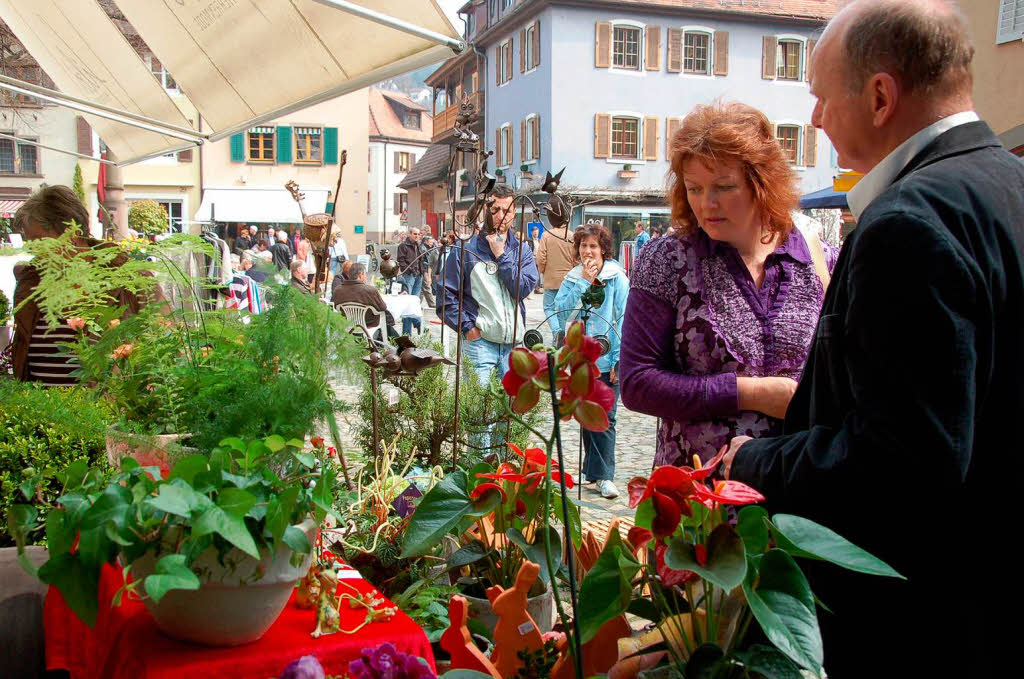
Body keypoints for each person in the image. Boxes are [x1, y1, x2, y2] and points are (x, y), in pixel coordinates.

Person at [719, 2, 1023, 676]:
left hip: (925, 623)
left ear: (881, 96)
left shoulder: (909, 222)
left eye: (823, 97)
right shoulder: (1009, 185)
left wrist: (753, 464)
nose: (817, 118)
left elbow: (902, 461)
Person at [619, 101, 837, 470]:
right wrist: (750, 393)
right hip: (699, 502)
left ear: (762, 183)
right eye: (694, 188)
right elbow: (638, 383)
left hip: (797, 491)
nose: (707, 203)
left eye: (724, 186)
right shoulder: (667, 260)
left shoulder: (819, 261)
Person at [11, 186, 143, 385]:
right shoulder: (32, 283)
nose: (36, 253)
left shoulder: (127, 277)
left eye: (40, 242)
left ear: (72, 231)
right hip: (43, 412)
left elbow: (161, 336)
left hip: (105, 412)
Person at [555, 224, 628, 499]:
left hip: (608, 356)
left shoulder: (616, 277)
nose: (588, 251)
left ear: (603, 250)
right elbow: (562, 312)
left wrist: (621, 359)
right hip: (580, 358)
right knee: (586, 414)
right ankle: (592, 471)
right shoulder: (573, 278)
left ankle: (605, 476)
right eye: (584, 246)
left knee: (606, 416)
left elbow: (624, 317)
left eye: (593, 246)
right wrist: (584, 281)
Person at [441, 183, 539, 386]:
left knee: (509, 412)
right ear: (485, 211)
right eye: (495, 209)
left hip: (513, 345)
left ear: (514, 215)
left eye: (507, 210)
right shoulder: (465, 251)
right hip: (480, 344)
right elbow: (445, 296)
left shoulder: (522, 251)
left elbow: (521, 289)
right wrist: (467, 328)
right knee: (479, 413)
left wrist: (501, 256)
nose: (501, 215)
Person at [332, 262, 398, 340]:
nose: (365, 277)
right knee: (387, 325)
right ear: (361, 275)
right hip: (368, 323)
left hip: (347, 322)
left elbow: (336, 306)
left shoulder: (338, 290)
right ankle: (401, 346)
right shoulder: (369, 290)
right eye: (365, 274)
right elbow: (382, 307)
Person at [535, 218, 575, 340]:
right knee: (561, 311)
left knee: (549, 308)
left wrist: (542, 271)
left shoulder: (547, 235)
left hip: (551, 278)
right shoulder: (572, 235)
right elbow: (577, 257)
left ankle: (557, 331)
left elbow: (541, 258)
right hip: (569, 278)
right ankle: (558, 340)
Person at [396, 227, 425, 297]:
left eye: (418, 234)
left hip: (419, 274)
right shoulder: (403, 246)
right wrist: (408, 270)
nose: (417, 236)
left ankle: (414, 308)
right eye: (415, 234)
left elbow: (421, 259)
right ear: (409, 234)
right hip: (409, 275)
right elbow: (401, 260)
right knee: (408, 295)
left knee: (416, 296)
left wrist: (423, 270)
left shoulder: (418, 245)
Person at [420, 234, 437, 307]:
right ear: (426, 242)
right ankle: (432, 303)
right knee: (426, 286)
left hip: (427, 269)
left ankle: (418, 303)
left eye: (432, 242)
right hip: (424, 269)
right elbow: (423, 261)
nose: (432, 244)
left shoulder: (431, 248)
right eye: (430, 242)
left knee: (422, 288)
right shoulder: (423, 249)